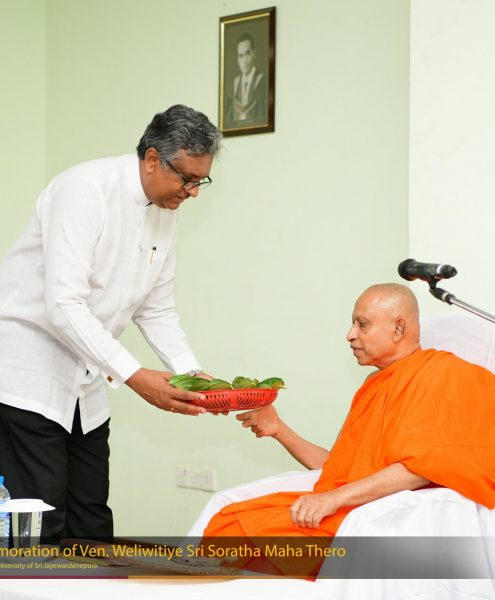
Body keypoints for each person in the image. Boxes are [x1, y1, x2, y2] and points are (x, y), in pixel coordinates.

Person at [0, 104, 222, 541]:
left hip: (87, 381)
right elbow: (63, 304)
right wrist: (135, 376)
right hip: (29, 376)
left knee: (92, 522)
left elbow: (156, 307)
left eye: (201, 181)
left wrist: (189, 373)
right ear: (153, 159)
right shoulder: (84, 190)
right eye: (187, 178)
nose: (193, 192)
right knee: (41, 526)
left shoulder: (166, 209)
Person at [203, 283, 495, 575]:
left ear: (398, 328)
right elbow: (337, 468)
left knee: (255, 547)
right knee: (231, 521)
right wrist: (278, 429)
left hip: (384, 520)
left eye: (362, 324)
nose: (350, 334)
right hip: (351, 508)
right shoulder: (374, 385)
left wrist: (333, 499)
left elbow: (422, 469)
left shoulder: (443, 375)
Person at [226, 32, 267, 124]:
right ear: (237, 59)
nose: (244, 60)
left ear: (254, 54)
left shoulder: (263, 82)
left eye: (247, 54)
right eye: (241, 56)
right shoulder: (234, 85)